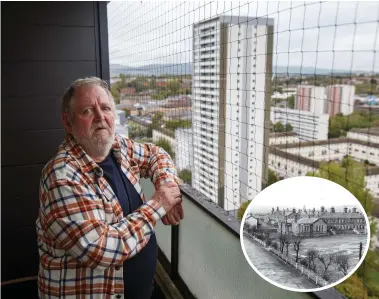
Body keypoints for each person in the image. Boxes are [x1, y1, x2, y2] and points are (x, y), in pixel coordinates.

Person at [36, 77, 184, 299]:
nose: (100, 117)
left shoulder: (118, 147)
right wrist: (159, 205)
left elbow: (157, 154)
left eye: (105, 108)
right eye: (87, 111)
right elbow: (102, 249)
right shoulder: (62, 176)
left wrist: (164, 183)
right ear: (68, 123)